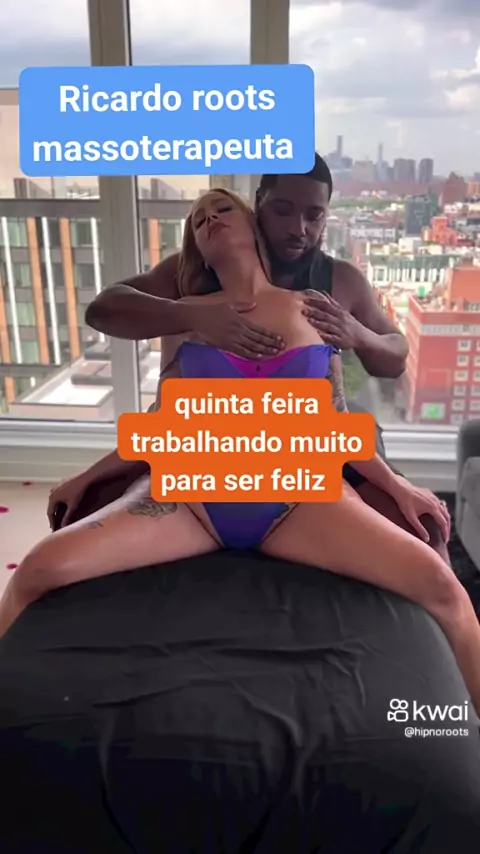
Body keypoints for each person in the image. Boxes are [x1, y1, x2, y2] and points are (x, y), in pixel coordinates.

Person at [2, 189, 479, 719]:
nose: (210, 219)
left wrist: (395, 484)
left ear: (252, 226)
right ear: (198, 250)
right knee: (38, 568)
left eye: (222, 209)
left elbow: (334, 420)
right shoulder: (186, 317)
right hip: (193, 502)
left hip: (299, 501)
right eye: (199, 219)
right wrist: (86, 476)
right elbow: (166, 422)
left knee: (443, 588)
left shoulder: (309, 308)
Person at [48, 157, 450, 561]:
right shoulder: (201, 267)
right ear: (258, 205)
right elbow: (103, 309)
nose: (298, 228)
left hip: (315, 440)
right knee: (83, 508)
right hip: (208, 443)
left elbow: (395, 356)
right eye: (282, 211)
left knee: (425, 530)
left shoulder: (341, 281)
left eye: (314, 216)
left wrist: (358, 333)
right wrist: (191, 315)